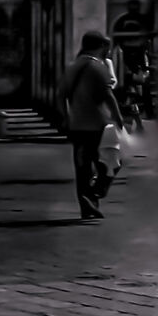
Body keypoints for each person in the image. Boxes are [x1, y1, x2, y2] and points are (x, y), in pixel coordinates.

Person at [58, 32, 124, 221]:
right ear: (100, 46)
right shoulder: (97, 66)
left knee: (82, 166)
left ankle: (87, 206)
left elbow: (60, 96)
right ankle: (96, 192)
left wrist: (65, 117)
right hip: (99, 124)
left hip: (77, 124)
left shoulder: (71, 67)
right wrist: (118, 118)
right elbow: (108, 95)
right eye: (105, 47)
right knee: (111, 161)